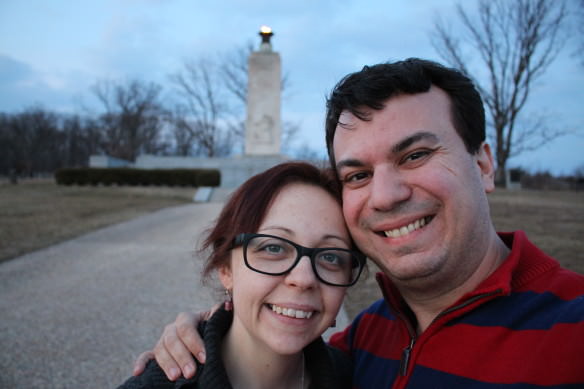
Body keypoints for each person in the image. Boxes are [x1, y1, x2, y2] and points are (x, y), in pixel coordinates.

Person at [134, 58, 584, 388]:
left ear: (484, 165)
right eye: (358, 175)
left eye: (416, 155)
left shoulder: (572, 333)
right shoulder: (358, 344)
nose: (386, 196)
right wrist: (210, 334)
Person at [117, 162, 366, 388]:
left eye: (331, 257)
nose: (303, 278)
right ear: (226, 269)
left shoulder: (357, 377)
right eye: (274, 248)